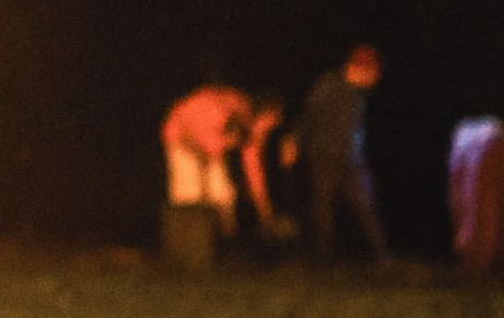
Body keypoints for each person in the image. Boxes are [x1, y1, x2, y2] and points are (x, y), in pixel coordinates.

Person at [288, 43, 390, 263]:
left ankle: (383, 258)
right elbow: (308, 116)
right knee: (322, 209)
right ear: (357, 68)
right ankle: (322, 259)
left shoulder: (360, 92)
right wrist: (294, 143)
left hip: (352, 160)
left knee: (366, 207)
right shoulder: (327, 86)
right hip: (324, 157)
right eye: (372, 72)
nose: (375, 78)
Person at [159, 85, 283, 262]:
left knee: (223, 193)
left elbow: (252, 167)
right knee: (189, 195)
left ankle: (224, 248)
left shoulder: (247, 127)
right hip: (181, 137)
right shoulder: (223, 108)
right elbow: (193, 132)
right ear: (262, 113)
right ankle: (187, 255)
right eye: (267, 124)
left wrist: (264, 209)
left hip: (212, 142)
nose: (266, 132)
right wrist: (222, 144)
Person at [445, 117, 504, 271]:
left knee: (479, 209)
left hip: (476, 143)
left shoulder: (461, 138)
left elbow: (462, 200)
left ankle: (479, 260)